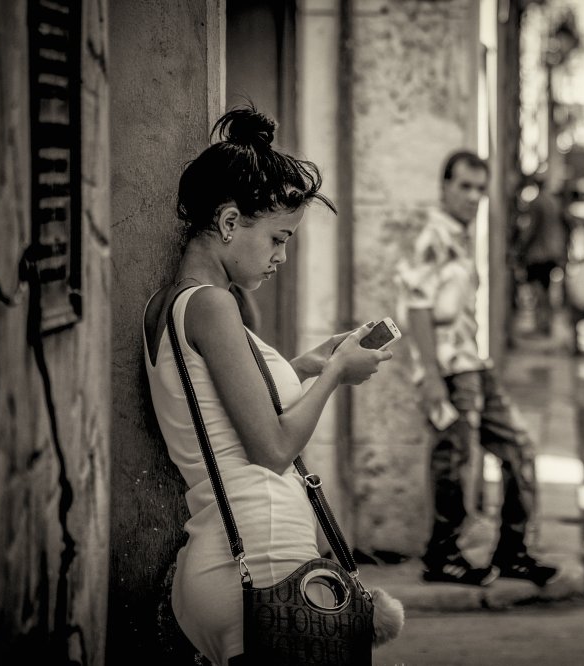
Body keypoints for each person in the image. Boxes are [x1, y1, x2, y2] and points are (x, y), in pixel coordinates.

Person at [142, 105, 392, 666]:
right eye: (278, 238)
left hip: (233, 557)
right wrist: (336, 375)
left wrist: (303, 366)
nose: (281, 256)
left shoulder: (172, 304)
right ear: (230, 223)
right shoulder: (213, 306)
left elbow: (220, 410)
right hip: (262, 558)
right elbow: (274, 450)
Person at [397, 150, 559, 587]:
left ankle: (513, 551)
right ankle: (442, 555)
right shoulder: (433, 236)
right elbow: (415, 309)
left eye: (479, 189)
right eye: (464, 186)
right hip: (449, 370)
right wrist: (431, 377)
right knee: (453, 460)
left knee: (519, 448)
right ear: (444, 187)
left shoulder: (461, 236)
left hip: (472, 364)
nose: (472, 196)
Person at [516, 174, 568, 336]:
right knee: (545, 288)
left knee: (539, 289)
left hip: (540, 253)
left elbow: (531, 229)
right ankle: (546, 322)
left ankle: (542, 324)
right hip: (553, 250)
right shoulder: (554, 202)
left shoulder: (537, 203)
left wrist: (521, 247)